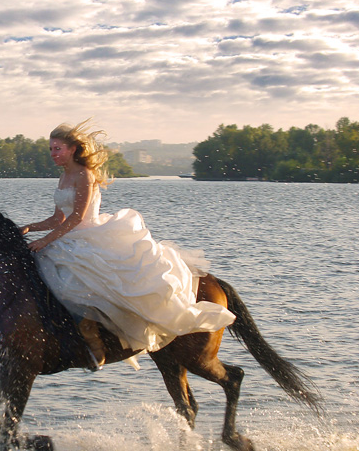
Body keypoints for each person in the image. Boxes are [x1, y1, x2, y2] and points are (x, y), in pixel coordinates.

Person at [20, 120, 235, 369]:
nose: (53, 154)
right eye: (51, 149)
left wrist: (46, 240)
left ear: (72, 149)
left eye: (57, 149)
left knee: (73, 283)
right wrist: (29, 227)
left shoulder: (84, 175)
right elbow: (58, 219)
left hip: (88, 237)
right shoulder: (63, 177)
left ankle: (94, 340)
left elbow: (78, 217)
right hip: (67, 237)